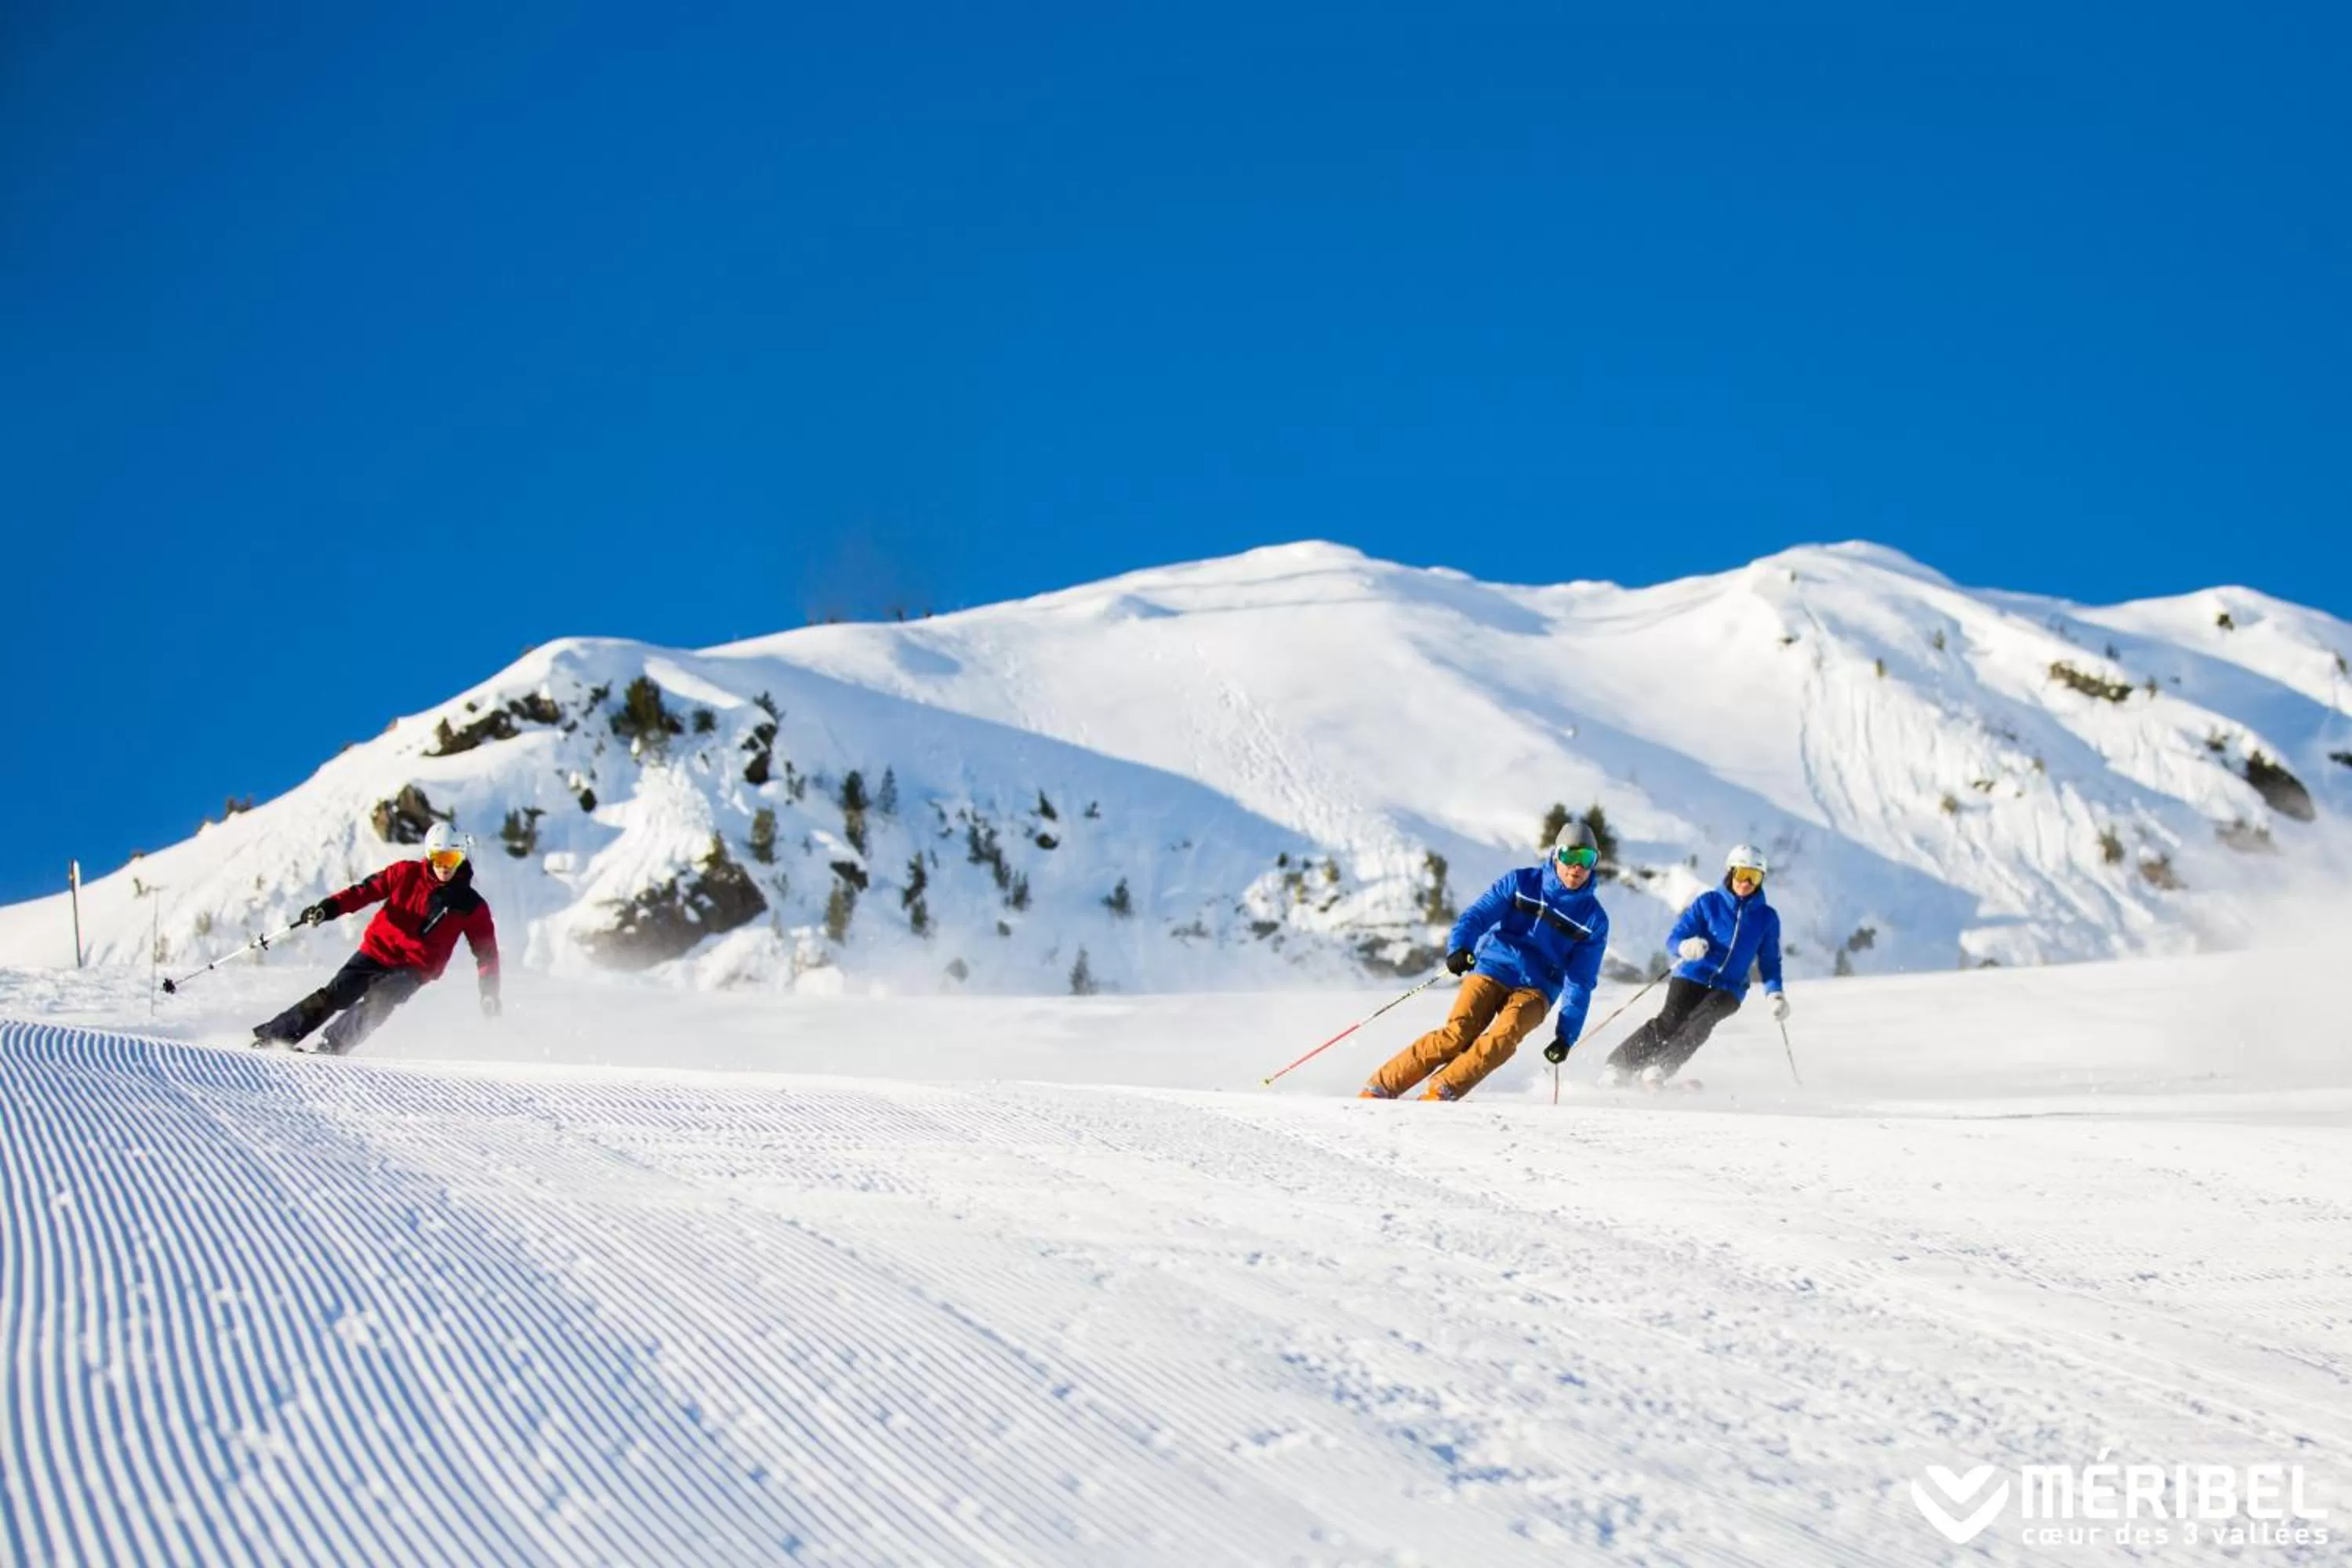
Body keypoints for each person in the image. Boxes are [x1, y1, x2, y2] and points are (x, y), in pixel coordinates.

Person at [1360, 821, 1610, 1101]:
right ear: (1555, 855)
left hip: (1538, 989)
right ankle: (1379, 1089)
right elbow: (1477, 916)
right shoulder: (1520, 882)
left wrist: (1566, 1035)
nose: (1576, 867)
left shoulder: (1594, 920)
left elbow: (1581, 980)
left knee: (1503, 1038)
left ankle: (1441, 1091)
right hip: (1496, 966)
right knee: (1458, 1034)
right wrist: (1460, 947)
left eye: (1586, 859)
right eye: (1570, 856)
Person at [252, 822, 501, 1054]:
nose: (445, 866)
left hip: (415, 968)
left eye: (452, 858)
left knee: (381, 1000)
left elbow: (487, 953)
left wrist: (489, 991)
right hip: (377, 950)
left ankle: (332, 1046)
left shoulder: (471, 906)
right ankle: (276, 1037)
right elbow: (364, 892)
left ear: (461, 858)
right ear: (429, 856)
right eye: (439, 858)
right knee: (335, 994)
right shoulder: (405, 874)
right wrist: (328, 908)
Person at [1602, 844, 1787, 1089]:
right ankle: (1619, 1066)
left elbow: (1770, 961)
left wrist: (1775, 994)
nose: (1746, 883)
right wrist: (1685, 947)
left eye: (1754, 877)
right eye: (1742, 874)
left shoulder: (1767, 917)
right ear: (1730, 872)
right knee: (1670, 1020)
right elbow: (1675, 938)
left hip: (1730, 988)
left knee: (1701, 1023)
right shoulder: (1708, 903)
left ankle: (1659, 1069)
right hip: (1693, 974)